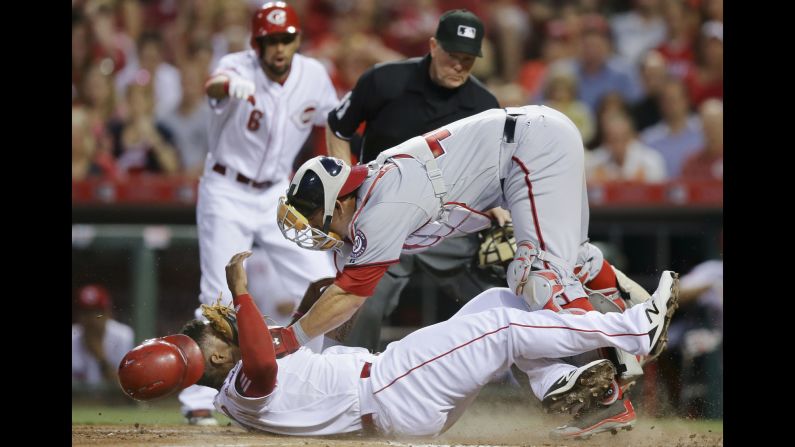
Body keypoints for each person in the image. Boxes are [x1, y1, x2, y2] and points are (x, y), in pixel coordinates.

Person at [118, 250, 679, 439]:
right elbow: (261, 363)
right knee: (503, 328)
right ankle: (634, 330)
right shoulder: (243, 383)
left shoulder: (231, 390)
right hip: (391, 389)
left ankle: (564, 388)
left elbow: (274, 355)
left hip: (392, 394)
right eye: (220, 335)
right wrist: (241, 293)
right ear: (217, 359)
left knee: (496, 307)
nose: (230, 327)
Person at [179, 1, 339, 425]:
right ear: (257, 43)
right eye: (271, 40)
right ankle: (197, 398)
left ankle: (310, 382)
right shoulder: (237, 65)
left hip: (276, 193)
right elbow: (215, 83)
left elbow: (332, 124)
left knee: (322, 282)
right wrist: (224, 88)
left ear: (298, 38)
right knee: (216, 296)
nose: (280, 48)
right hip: (226, 188)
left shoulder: (314, 75)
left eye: (286, 38)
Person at [324, 9, 502, 352]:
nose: (460, 66)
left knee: (498, 295)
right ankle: (341, 382)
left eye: (468, 59)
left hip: (447, 223)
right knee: (361, 301)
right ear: (433, 46)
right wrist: (343, 187)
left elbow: (494, 169)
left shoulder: (485, 106)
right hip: (384, 217)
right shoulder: (385, 80)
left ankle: (548, 382)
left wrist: (498, 208)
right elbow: (338, 126)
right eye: (453, 55)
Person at [72, 284, 134, 387]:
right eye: (85, 312)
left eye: (97, 312)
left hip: (111, 402)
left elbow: (125, 387)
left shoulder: (123, 335)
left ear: (108, 313)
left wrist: (101, 357)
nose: (91, 318)